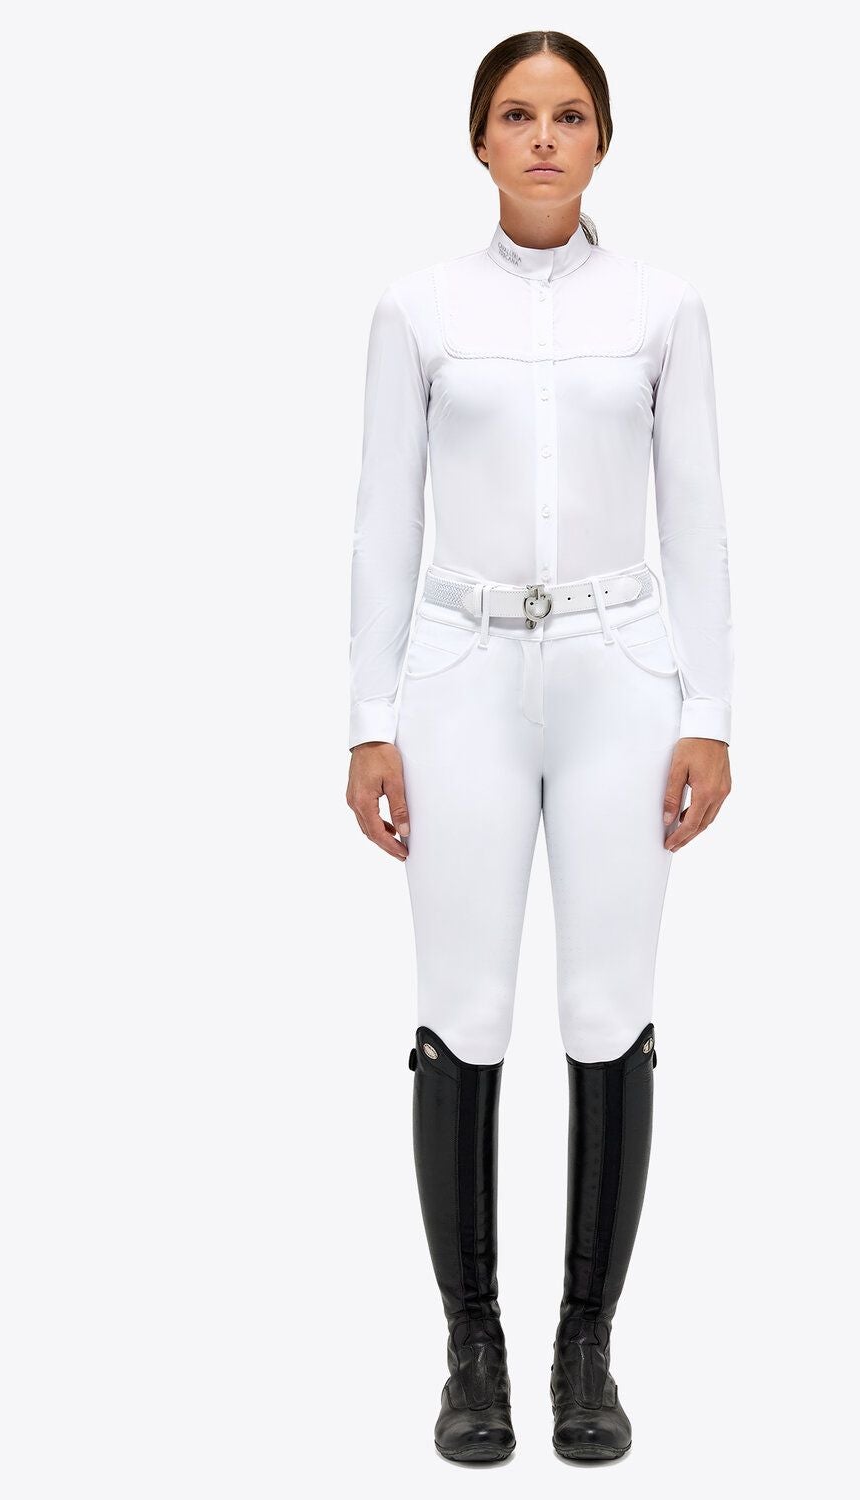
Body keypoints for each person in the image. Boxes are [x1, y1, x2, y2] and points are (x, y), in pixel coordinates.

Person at [344, 30, 734, 1463]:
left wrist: (709, 711)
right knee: (465, 1008)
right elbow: (383, 522)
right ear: (480, 138)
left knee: (606, 1006)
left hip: (619, 672)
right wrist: (369, 720)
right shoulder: (419, 310)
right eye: (519, 114)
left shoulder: (663, 309)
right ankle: (473, 1349)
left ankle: (586, 1348)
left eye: (570, 115)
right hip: (460, 675)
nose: (546, 138)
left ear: (604, 138)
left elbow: (699, 518)